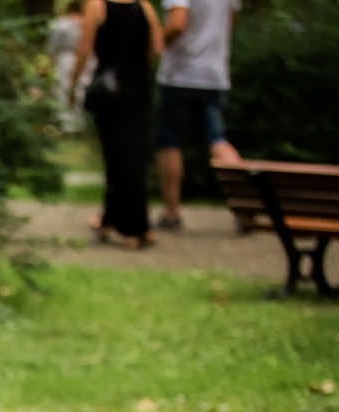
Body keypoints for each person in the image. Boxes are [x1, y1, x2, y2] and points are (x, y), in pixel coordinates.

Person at [69, 0, 164, 249]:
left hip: (112, 90)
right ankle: (111, 220)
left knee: (119, 157)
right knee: (134, 153)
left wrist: (73, 84)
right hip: (139, 86)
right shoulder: (145, 6)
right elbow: (157, 47)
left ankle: (134, 228)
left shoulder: (96, 6)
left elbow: (84, 47)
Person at [155, 0, 243, 231]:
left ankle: (171, 213)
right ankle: (246, 207)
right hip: (215, 74)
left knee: (169, 141)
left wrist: (157, 42)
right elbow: (230, 23)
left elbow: (177, 23)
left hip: (179, 75)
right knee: (217, 139)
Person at [47, 1, 92, 135]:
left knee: (63, 89)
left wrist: (50, 60)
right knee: (83, 89)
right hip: (89, 59)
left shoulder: (60, 23)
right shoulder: (87, 22)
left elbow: (52, 46)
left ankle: (66, 124)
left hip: (65, 58)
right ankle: (82, 123)